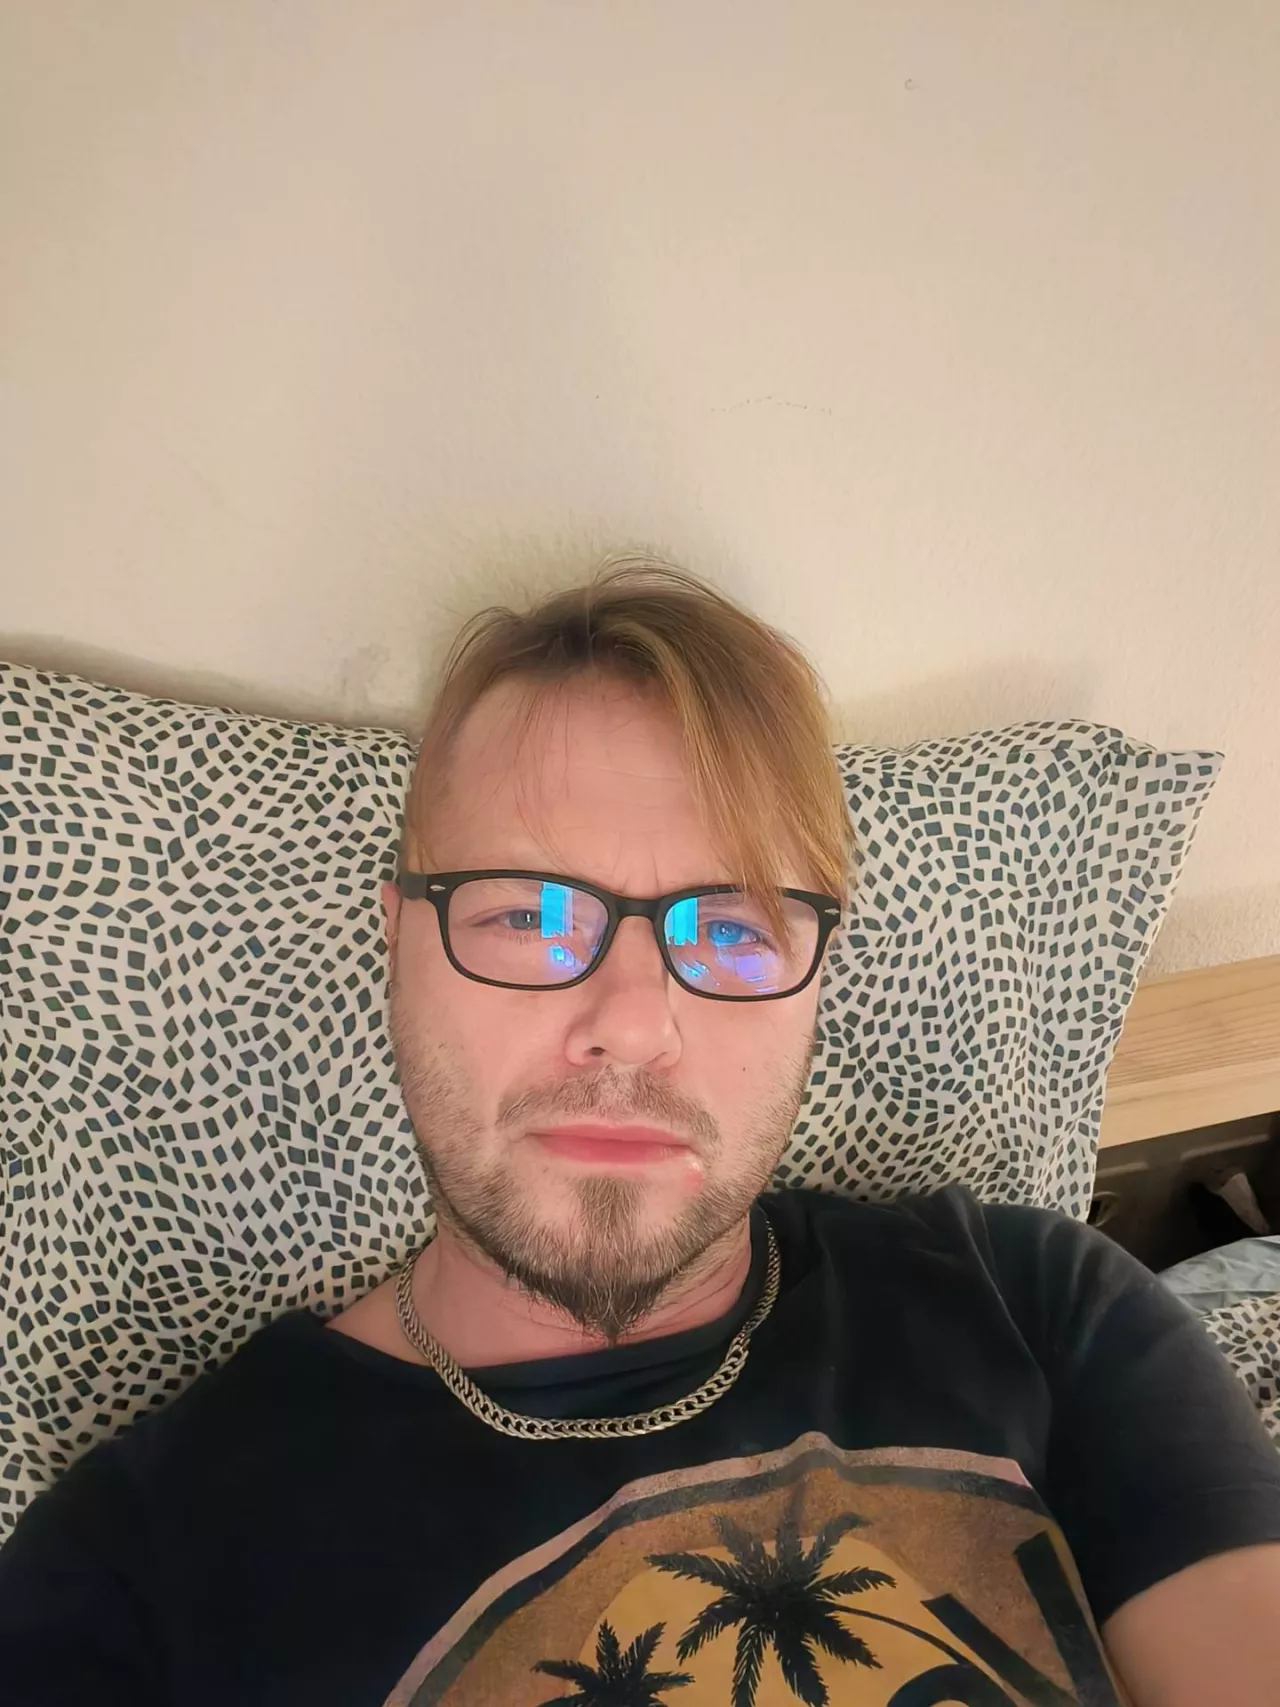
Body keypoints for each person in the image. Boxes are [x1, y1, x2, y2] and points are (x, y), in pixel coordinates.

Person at [1, 561, 1278, 1707]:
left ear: (815, 984)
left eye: (728, 929)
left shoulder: (1038, 1307)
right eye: (525, 915)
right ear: (397, 943)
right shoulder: (142, 1567)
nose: (628, 1025)